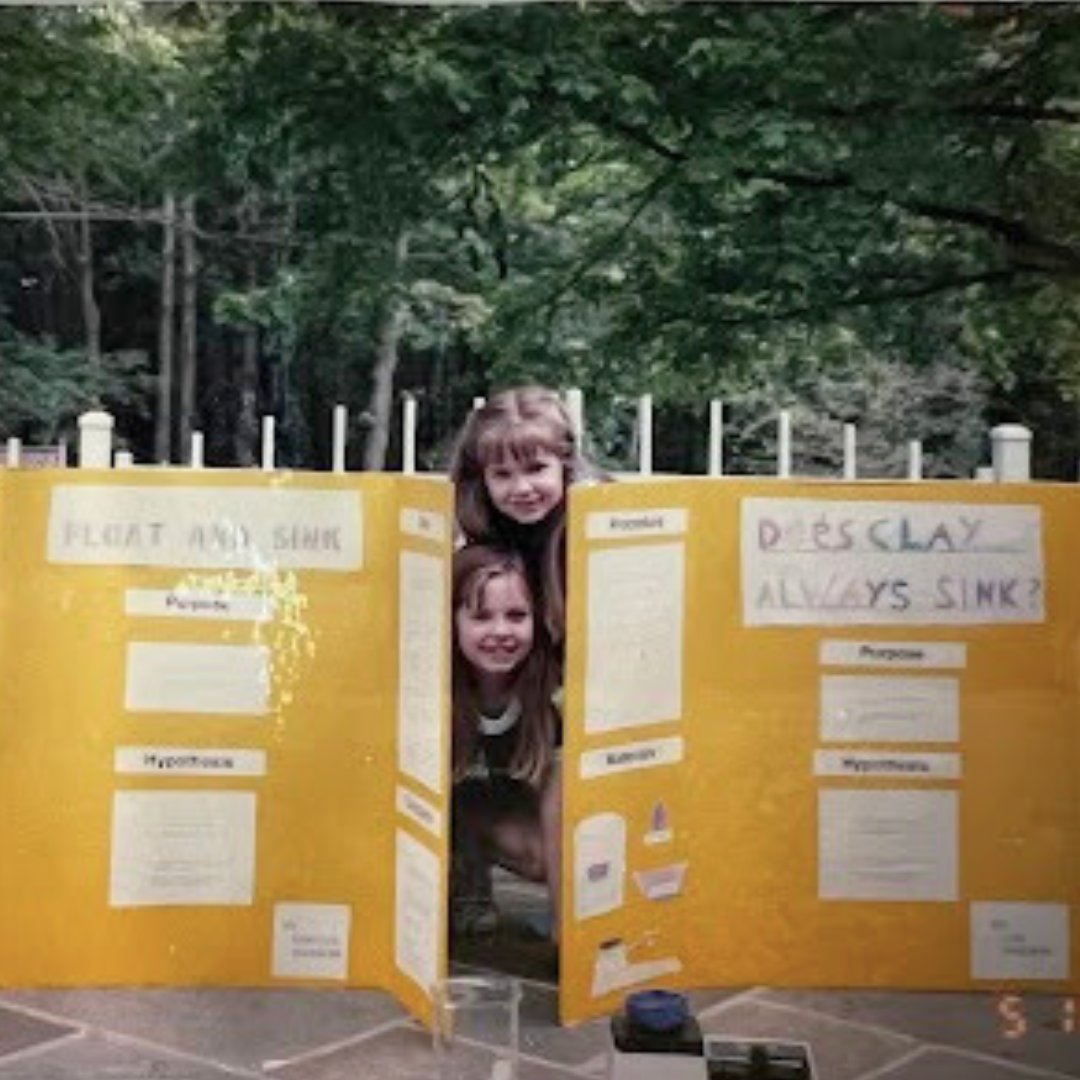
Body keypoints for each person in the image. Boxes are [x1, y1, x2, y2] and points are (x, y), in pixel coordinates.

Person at [450, 543, 563, 941]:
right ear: (452, 621)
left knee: (544, 857)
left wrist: (567, 921)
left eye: (516, 616)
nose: (500, 631)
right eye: (482, 617)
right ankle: (461, 882)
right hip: (440, 815)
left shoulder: (548, 691)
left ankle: (471, 861)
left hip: (495, 808)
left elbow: (557, 796)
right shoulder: (434, 686)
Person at [449, 385, 606, 656]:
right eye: (502, 474)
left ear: (565, 465)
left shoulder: (600, 528)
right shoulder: (474, 539)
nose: (522, 487)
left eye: (536, 469)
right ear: (482, 480)